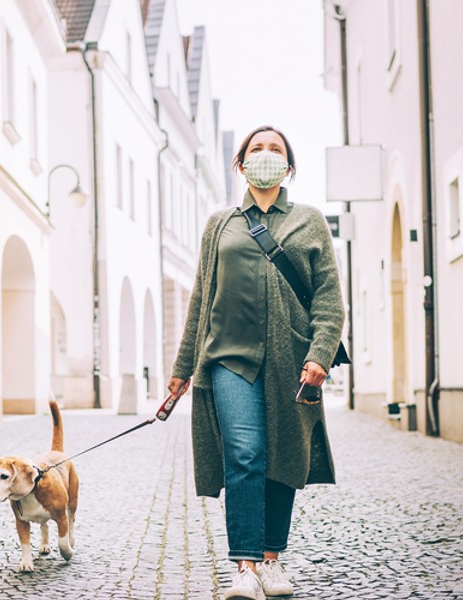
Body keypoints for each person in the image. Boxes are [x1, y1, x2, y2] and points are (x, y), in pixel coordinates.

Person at [166, 125, 345, 600]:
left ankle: (271, 560)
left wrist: (320, 354)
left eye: (276, 150)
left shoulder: (309, 221)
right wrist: (183, 367)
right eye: (256, 149)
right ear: (240, 164)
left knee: (282, 455)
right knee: (243, 455)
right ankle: (243, 567)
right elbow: (202, 298)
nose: (265, 155)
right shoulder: (220, 225)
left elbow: (328, 297)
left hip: (291, 361)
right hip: (228, 359)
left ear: (288, 167)